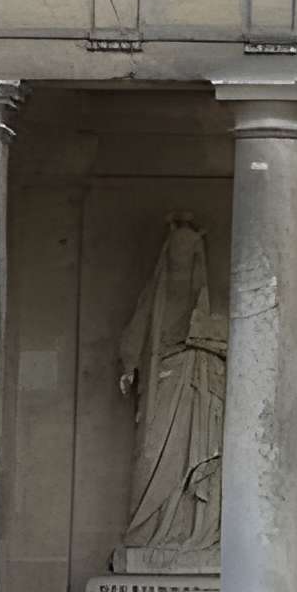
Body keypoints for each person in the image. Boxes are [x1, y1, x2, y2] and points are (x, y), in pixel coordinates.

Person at [117, 217, 226, 557]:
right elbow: (136, 329)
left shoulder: (208, 298)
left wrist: (206, 341)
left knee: (194, 455)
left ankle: (190, 533)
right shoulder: (157, 293)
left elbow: (228, 339)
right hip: (163, 381)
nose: (180, 254)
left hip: (197, 385)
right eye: (176, 247)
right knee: (153, 456)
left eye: (187, 248)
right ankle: (148, 532)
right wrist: (129, 365)